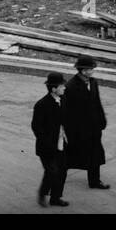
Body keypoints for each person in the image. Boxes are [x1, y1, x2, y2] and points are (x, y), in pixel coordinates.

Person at [64, 56, 109, 189]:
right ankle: (58, 176)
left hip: (94, 126)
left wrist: (102, 120)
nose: (92, 71)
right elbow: (67, 111)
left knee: (95, 153)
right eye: (90, 69)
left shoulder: (93, 82)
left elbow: (97, 102)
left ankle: (94, 181)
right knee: (72, 154)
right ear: (82, 70)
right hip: (79, 129)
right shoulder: (71, 86)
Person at [31, 72, 70, 207]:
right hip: (47, 147)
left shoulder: (63, 100)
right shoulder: (42, 105)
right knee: (51, 172)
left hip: (62, 144)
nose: (64, 88)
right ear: (54, 89)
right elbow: (36, 127)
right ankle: (42, 194)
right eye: (62, 86)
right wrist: (47, 143)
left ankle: (56, 198)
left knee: (62, 172)